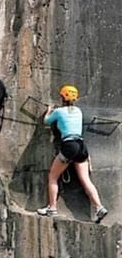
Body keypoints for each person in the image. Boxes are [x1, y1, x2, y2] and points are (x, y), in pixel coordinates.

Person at [37, 85, 108, 223]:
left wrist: (49, 110)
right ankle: (99, 207)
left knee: (53, 176)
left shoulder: (58, 112)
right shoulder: (79, 111)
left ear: (62, 97)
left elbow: (46, 121)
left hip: (69, 146)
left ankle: (52, 208)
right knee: (85, 179)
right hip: (82, 147)